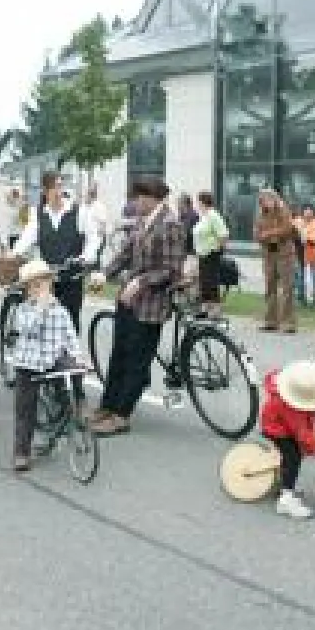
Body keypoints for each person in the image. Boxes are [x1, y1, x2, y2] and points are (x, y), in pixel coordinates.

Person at [88, 175, 185, 436]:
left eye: (140, 198)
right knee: (118, 354)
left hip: (150, 305)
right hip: (128, 300)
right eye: (135, 197)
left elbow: (172, 271)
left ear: (154, 199)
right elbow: (125, 255)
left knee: (137, 361)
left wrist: (141, 281)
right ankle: (107, 406)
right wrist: (104, 274)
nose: (135, 202)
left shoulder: (171, 225)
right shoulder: (143, 221)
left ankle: (122, 415)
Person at [11, 169, 100, 349]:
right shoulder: (38, 214)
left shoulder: (79, 211)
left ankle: (70, 358)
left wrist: (87, 256)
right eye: (54, 187)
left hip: (72, 274)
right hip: (47, 276)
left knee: (70, 318)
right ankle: (46, 360)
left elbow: (93, 237)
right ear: (45, 191)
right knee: (44, 317)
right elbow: (27, 237)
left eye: (60, 186)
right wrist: (14, 254)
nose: (58, 191)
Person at [9, 258, 83, 472]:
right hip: (28, 364)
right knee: (25, 409)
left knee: (73, 374)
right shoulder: (23, 309)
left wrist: (78, 356)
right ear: (27, 290)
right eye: (35, 286)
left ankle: (74, 411)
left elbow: (70, 336)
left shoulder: (60, 310)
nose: (41, 289)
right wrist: (41, 307)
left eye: (44, 284)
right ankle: (21, 452)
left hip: (52, 360)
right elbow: (28, 329)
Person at [261, 361, 315, 520]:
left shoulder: (295, 385)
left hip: (284, 423)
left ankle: (283, 483)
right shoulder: (291, 407)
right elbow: (302, 433)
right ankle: (286, 500)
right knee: (293, 456)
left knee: (295, 453)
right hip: (277, 429)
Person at [253, 189, 298, 333]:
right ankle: (270, 321)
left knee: (287, 288)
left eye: (269, 199)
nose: (266, 203)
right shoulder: (260, 215)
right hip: (268, 254)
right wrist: (266, 236)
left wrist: (268, 233)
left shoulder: (284, 211)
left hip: (285, 254)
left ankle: (288, 323)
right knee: (269, 287)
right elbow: (256, 234)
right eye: (263, 200)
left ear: (275, 199)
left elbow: (287, 229)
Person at [191, 191, 229, 318]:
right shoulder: (204, 216)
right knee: (204, 282)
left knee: (211, 281)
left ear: (203, 202)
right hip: (202, 254)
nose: (196, 204)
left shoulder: (213, 215)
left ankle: (216, 309)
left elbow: (223, 235)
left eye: (198, 201)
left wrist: (218, 249)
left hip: (211, 253)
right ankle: (205, 308)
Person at [294, 205, 315, 305]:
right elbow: (293, 233)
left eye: (310, 212)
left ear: (313, 213)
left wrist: (305, 236)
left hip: (313, 252)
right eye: (306, 211)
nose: (308, 213)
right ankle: (301, 297)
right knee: (300, 275)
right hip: (299, 252)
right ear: (303, 212)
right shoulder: (297, 221)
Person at [84, 182, 110, 266]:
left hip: (98, 237)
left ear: (91, 195)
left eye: (87, 195)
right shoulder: (89, 206)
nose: (85, 197)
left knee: (96, 257)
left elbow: (103, 222)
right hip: (91, 236)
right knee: (90, 257)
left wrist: (100, 235)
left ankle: (96, 273)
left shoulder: (98, 206)